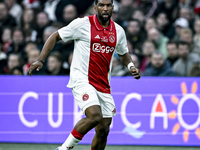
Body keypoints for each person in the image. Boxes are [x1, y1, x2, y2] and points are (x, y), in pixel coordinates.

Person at [28, 0, 141, 150]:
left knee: (103, 129)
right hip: (82, 79)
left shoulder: (118, 31)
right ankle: (64, 148)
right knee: (94, 116)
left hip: (104, 84)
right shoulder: (82, 24)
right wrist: (41, 60)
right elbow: (55, 36)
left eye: (108, 5)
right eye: (101, 5)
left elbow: (123, 53)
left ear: (113, 7)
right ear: (95, 7)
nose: (105, 8)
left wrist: (131, 66)